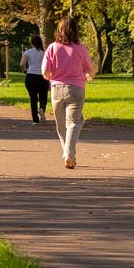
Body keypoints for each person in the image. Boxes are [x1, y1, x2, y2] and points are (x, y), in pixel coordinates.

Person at [42, 15, 94, 169]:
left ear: (59, 30)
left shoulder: (52, 47)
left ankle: (68, 153)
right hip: (76, 89)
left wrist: (50, 76)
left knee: (61, 125)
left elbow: (45, 71)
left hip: (56, 90)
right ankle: (69, 154)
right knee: (74, 122)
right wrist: (88, 75)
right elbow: (90, 69)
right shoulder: (81, 48)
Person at [20, 33, 50, 124]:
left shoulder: (28, 52)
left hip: (31, 76)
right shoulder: (45, 53)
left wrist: (24, 70)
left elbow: (21, 64)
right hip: (42, 77)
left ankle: (35, 120)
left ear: (32, 43)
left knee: (33, 98)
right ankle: (42, 108)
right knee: (43, 96)